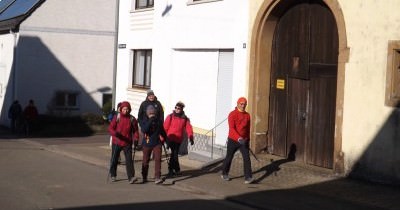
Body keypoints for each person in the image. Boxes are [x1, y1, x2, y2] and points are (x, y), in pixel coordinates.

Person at [221, 97, 254, 184]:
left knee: (247, 158)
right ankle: (224, 173)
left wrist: (247, 139)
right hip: (233, 139)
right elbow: (232, 129)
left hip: (243, 141)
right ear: (238, 104)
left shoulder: (247, 115)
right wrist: (239, 138)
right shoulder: (232, 114)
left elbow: (247, 129)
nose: (243, 106)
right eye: (241, 104)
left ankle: (248, 177)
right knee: (229, 157)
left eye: (244, 104)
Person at [108, 101, 139, 184]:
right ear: (121, 109)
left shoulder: (132, 119)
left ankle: (131, 177)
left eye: (127, 109)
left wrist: (136, 139)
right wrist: (115, 133)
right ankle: (113, 175)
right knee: (114, 159)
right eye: (124, 109)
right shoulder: (117, 117)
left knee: (129, 160)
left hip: (127, 142)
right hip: (117, 141)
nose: (126, 111)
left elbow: (135, 130)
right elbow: (110, 128)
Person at [163, 101, 194, 177]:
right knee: (174, 154)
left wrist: (191, 137)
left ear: (182, 110)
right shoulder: (170, 116)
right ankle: (171, 170)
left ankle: (176, 169)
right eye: (176, 108)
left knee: (174, 154)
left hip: (178, 139)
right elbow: (165, 128)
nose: (176, 109)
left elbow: (189, 128)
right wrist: (162, 138)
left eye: (178, 108)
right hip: (170, 138)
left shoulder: (184, 119)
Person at [140, 104, 167, 184]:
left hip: (157, 143)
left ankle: (157, 177)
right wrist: (150, 120)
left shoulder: (158, 121)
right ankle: (144, 176)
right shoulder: (144, 121)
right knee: (145, 160)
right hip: (147, 143)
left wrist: (165, 140)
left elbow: (162, 131)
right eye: (150, 112)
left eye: (153, 112)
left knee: (158, 159)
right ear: (147, 113)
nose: (152, 114)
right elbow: (144, 130)